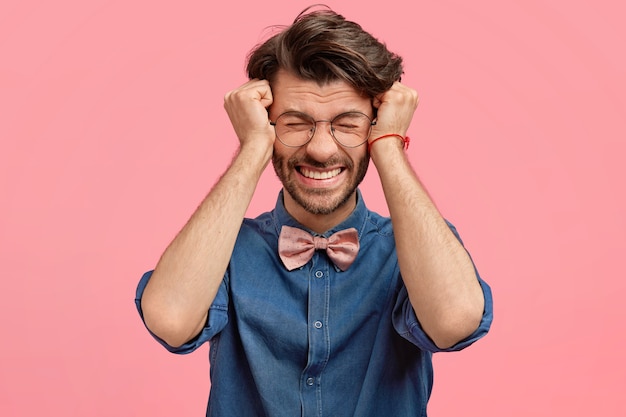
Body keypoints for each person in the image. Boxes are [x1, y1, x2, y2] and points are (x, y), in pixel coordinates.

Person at [135, 6, 493, 417]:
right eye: (294, 122)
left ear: (375, 125)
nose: (321, 150)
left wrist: (390, 145)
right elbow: (169, 320)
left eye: (347, 123)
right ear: (266, 124)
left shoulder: (415, 247)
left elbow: (455, 323)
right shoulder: (222, 251)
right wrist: (252, 148)